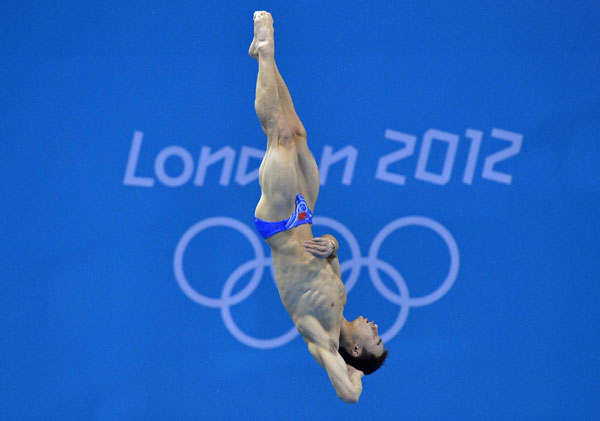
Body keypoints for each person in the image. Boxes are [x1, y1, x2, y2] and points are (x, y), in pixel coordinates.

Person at [249, 11, 387, 403]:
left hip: (278, 225)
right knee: (296, 132)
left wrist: (356, 374)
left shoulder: (322, 340)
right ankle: (265, 56)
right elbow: (330, 256)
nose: (375, 327)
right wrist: (332, 247)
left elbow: (351, 396)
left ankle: (265, 51)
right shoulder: (341, 300)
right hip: (304, 216)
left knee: (278, 138)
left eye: (374, 338)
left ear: (356, 352)